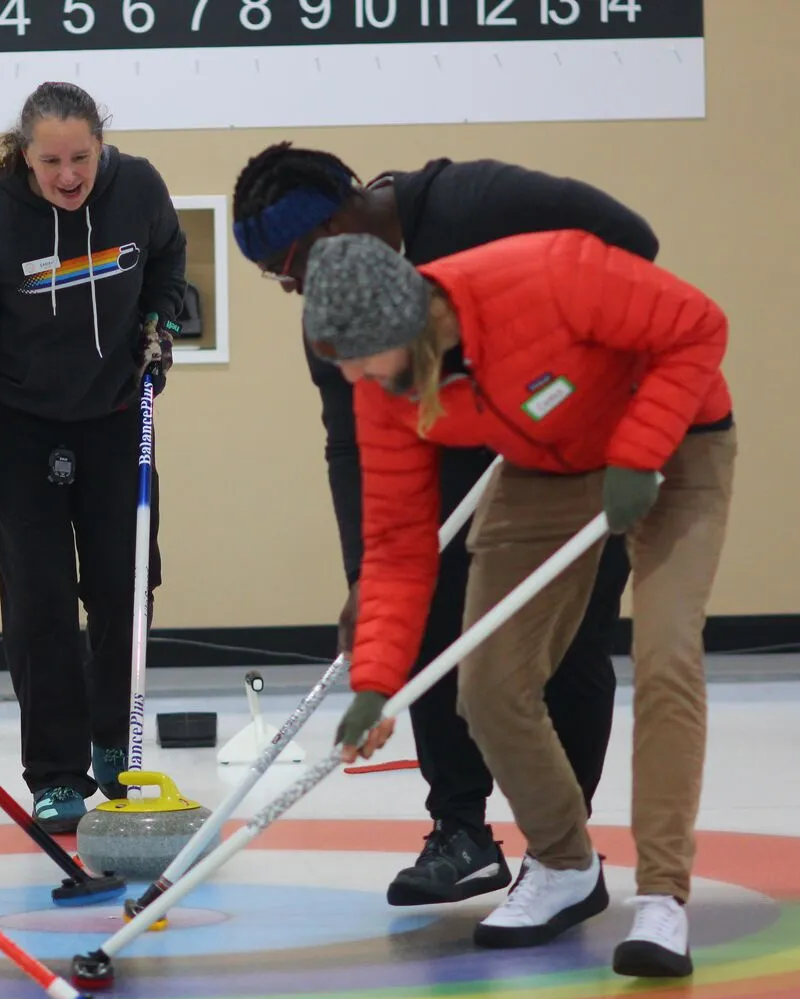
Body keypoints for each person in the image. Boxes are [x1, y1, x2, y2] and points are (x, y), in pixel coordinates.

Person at [306, 230, 735, 978]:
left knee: (665, 655)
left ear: (406, 323)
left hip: (674, 443)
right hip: (550, 465)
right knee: (488, 684)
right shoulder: (384, 389)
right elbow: (401, 543)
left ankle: (663, 896)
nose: (353, 375)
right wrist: (376, 681)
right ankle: (567, 863)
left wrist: (638, 452)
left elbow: (698, 324)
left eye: (360, 354)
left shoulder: (550, 274)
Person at [231, 144, 648, 906]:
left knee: (566, 640)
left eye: (294, 263)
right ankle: (461, 830)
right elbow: (349, 441)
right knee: (423, 622)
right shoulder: (337, 311)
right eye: (280, 281)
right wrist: (366, 573)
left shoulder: (478, 203)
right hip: (443, 452)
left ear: (341, 218)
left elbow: (633, 243)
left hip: (572, 439)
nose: (296, 288)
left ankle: (561, 850)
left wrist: (565, 369)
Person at [0, 81, 186, 832]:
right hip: (19, 428)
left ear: (101, 147)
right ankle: (57, 772)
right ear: (24, 153)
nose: (69, 176)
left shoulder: (137, 186)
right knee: (40, 599)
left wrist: (160, 320)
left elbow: (168, 256)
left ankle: (113, 742)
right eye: (51, 161)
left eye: (82, 158)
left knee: (123, 584)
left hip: (112, 413)